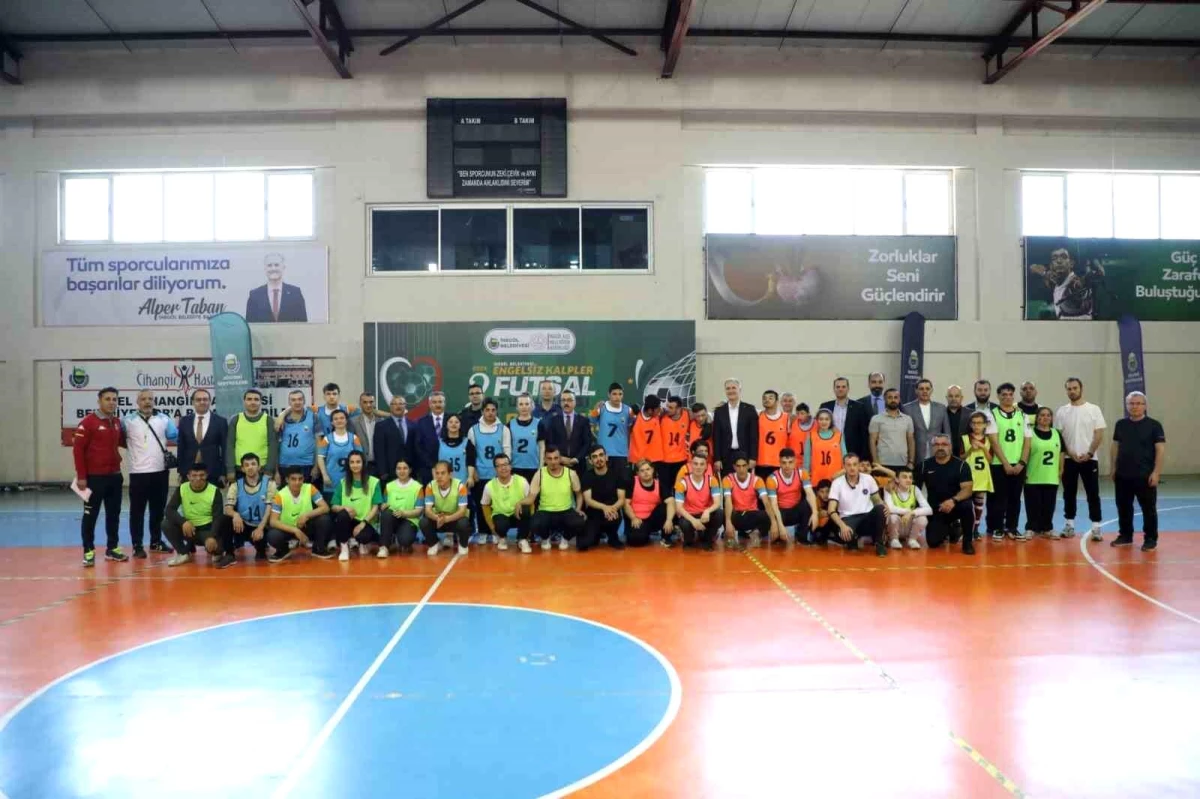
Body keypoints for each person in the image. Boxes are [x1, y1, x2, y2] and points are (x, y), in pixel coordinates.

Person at [73, 386, 129, 567]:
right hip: (93, 479)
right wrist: (81, 476)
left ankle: (112, 548)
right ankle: (88, 551)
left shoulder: (117, 422)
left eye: (114, 399)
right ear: (99, 401)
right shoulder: (88, 423)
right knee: (90, 515)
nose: (112, 402)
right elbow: (78, 451)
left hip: (115, 477)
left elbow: (125, 443)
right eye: (107, 399)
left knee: (114, 515)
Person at [122, 389, 178, 557]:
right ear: (137, 402)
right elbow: (117, 439)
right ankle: (137, 545)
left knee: (158, 511)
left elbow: (177, 437)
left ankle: (156, 542)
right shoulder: (127, 421)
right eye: (143, 399)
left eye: (150, 399)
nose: (147, 402)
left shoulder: (164, 419)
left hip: (160, 473)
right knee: (137, 512)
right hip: (138, 473)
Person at [1110, 392, 1165, 551]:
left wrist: (1156, 472)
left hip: (1145, 475)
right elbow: (1115, 446)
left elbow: (1160, 450)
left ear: (1145, 406)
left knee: (1148, 509)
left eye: (1138, 403)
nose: (1135, 406)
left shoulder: (1154, 425)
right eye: (1131, 403)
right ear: (1127, 406)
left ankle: (1150, 539)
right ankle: (1125, 536)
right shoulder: (1120, 424)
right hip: (1123, 475)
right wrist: (1113, 468)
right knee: (1123, 507)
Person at [1054, 377, 1107, 541]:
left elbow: (1099, 434)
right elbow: (1059, 436)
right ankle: (1069, 525)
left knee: (1093, 493)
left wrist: (1089, 453)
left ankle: (1096, 527)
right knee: (1069, 493)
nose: (1072, 391)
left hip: (1089, 459)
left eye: (1075, 388)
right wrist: (1069, 452)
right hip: (1069, 459)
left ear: (1081, 389)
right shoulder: (1062, 411)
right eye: (1069, 389)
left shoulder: (1094, 409)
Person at [163, 463, 233, 569]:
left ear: (206, 475)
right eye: (194, 475)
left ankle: (216, 551)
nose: (198, 478)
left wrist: (212, 536)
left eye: (201, 475)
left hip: (207, 530)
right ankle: (183, 553)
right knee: (166, 524)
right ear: (188, 476)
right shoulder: (182, 489)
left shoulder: (214, 491)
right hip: (189, 529)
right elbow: (169, 510)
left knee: (216, 548)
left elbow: (218, 517)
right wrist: (183, 522)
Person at [915, 434, 976, 555]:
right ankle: (953, 529)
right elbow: (914, 489)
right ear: (932, 447)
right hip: (936, 509)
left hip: (955, 505)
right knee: (933, 543)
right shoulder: (924, 465)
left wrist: (953, 500)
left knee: (967, 506)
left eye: (944, 444)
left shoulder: (961, 465)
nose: (940, 447)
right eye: (936, 445)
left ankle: (967, 542)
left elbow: (968, 489)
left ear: (950, 446)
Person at [987, 383, 1032, 542]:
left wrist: (1022, 463)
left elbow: (1027, 442)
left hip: (1018, 464)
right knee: (999, 498)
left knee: (1015, 498)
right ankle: (998, 528)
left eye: (1010, 394)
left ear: (1014, 396)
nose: (1007, 397)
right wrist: (1005, 464)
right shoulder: (992, 415)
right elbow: (994, 442)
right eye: (1004, 394)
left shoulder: (1023, 415)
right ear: (998, 396)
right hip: (999, 464)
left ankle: (1012, 527)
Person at [826, 454, 887, 557]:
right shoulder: (837, 483)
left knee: (881, 509)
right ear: (844, 466)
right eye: (849, 465)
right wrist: (842, 526)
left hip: (866, 516)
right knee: (850, 544)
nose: (852, 468)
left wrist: (885, 506)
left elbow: (877, 500)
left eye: (855, 464)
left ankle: (879, 544)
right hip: (848, 519)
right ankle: (853, 538)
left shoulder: (868, 479)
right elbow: (831, 509)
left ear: (859, 465)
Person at [468, 398, 512, 539]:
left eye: (493, 410)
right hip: (480, 474)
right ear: (482, 411)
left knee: (496, 505)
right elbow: (471, 454)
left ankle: (495, 532)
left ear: (497, 411)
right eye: (487, 410)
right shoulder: (473, 430)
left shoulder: (504, 429)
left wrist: (504, 472)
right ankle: (482, 532)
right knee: (481, 505)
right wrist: (473, 472)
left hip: (497, 475)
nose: (490, 413)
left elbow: (507, 452)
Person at [267, 467, 331, 562]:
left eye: (300, 479)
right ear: (287, 480)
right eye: (293, 479)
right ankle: (283, 551)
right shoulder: (279, 495)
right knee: (272, 535)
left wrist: (306, 515)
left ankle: (318, 548)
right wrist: (295, 530)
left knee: (324, 519)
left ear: (303, 479)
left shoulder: (310, 488)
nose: (297, 482)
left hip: (306, 526)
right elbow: (273, 521)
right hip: (288, 530)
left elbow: (325, 507)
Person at [528, 447, 586, 551]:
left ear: (560, 459)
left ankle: (565, 539)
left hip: (565, 510)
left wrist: (577, 509)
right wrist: (520, 503)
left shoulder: (571, 474)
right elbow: (531, 497)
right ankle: (545, 539)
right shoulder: (539, 474)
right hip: (545, 511)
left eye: (556, 458)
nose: (553, 462)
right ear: (545, 460)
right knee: (534, 523)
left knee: (579, 521)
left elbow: (579, 495)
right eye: (549, 458)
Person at [329, 451, 382, 561]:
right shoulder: (343, 483)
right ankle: (344, 549)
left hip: (366, 522)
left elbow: (376, 507)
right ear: (348, 464)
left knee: (363, 537)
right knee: (342, 515)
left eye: (358, 462)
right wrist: (344, 508)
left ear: (363, 463)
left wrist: (363, 523)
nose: (355, 465)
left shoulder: (374, 482)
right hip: (349, 521)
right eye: (352, 462)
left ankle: (362, 542)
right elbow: (333, 506)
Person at [224, 452, 274, 562]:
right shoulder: (235, 485)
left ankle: (261, 549)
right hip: (244, 525)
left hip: (263, 526)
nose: (250, 467)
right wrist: (235, 514)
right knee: (225, 520)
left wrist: (260, 528)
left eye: (253, 464)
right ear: (242, 469)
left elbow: (270, 509)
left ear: (259, 467)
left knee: (263, 545)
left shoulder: (269, 484)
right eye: (246, 465)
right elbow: (228, 509)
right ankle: (229, 554)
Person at [1025, 407, 1064, 539]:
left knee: (1049, 505)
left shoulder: (1056, 433)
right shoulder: (1030, 433)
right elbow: (1025, 451)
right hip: (1033, 475)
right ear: (1037, 418)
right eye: (1042, 415)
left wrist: (1061, 469)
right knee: (1033, 504)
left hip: (1051, 475)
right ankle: (1031, 528)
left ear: (1051, 418)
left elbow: (1061, 452)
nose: (1045, 417)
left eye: (1048, 415)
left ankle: (1047, 528)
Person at [225, 389, 279, 485]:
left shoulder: (268, 420)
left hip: (262, 471)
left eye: (256, 399)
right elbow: (230, 445)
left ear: (261, 402)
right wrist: (230, 469)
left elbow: (273, 446)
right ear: (244, 401)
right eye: (249, 399)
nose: (252, 402)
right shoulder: (235, 419)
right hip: (239, 470)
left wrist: (269, 470)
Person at [481, 454, 533, 552]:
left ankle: (522, 539)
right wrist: (492, 527)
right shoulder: (489, 485)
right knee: (500, 523)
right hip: (501, 517)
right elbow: (485, 505)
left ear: (510, 466)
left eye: (505, 464)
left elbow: (531, 501)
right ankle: (502, 538)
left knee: (525, 509)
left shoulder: (522, 481)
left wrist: (530, 525)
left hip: (518, 515)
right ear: (495, 469)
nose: (503, 468)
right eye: (499, 466)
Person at [764, 447, 816, 546]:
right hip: (780, 513)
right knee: (778, 540)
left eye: (790, 462)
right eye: (784, 463)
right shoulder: (772, 479)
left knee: (808, 504)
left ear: (795, 462)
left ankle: (802, 537)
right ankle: (778, 535)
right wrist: (780, 526)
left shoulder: (802, 473)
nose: (787, 466)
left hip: (795, 510)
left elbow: (810, 494)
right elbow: (773, 505)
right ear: (779, 462)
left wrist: (815, 513)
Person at [420, 460, 472, 556]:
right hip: (438, 519)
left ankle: (463, 545)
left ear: (450, 474)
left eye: (443, 473)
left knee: (464, 523)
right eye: (437, 473)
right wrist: (437, 518)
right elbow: (427, 510)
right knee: (424, 522)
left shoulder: (460, 486)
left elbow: (462, 511)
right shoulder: (430, 486)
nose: (439, 476)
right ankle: (434, 544)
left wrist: (446, 519)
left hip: (454, 519)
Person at [722, 452, 775, 547]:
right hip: (736, 515)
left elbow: (766, 502)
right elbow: (728, 501)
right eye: (738, 466)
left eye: (744, 466)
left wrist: (774, 523)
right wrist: (728, 522)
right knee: (722, 513)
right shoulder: (727, 479)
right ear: (734, 467)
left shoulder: (757, 480)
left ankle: (756, 534)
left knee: (767, 515)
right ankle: (729, 534)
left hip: (752, 514)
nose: (741, 469)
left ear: (748, 466)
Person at [580, 445, 627, 551]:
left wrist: (612, 509)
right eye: (594, 457)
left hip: (612, 512)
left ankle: (613, 537)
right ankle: (596, 535)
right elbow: (588, 500)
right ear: (590, 461)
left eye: (601, 455)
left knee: (613, 517)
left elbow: (621, 499)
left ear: (606, 457)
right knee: (583, 544)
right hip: (594, 513)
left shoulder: (617, 474)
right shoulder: (587, 476)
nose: (599, 459)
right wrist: (604, 507)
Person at [673, 452, 722, 550]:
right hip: (689, 515)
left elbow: (717, 503)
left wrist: (707, 511)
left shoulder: (712, 480)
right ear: (691, 465)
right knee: (685, 524)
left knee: (719, 514)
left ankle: (707, 540)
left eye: (702, 464)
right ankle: (688, 540)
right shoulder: (682, 483)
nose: (698, 467)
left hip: (705, 515)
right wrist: (693, 521)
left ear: (706, 466)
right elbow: (679, 508)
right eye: (695, 464)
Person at [177, 389, 226, 485]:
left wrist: (224, 473)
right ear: (193, 402)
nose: (202, 402)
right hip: (189, 472)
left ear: (210, 401)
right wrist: (181, 471)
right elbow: (181, 447)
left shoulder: (220, 422)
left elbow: (225, 449)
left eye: (205, 399)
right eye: (198, 400)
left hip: (212, 472)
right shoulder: (184, 421)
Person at [378, 459, 425, 556]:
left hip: (409, 519)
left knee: (405, 541)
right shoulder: (389, 486)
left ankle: (401, 539)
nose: (402, 471)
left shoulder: (418, 487)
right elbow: (384, 504)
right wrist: (382, 506)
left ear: (410, 470)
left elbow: (419, 510)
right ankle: (384, 547)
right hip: (392, 518)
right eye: (399, 468)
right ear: (395, 470)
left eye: (405, 468)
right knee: (386, 514)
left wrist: (404, 513)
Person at [712, 378, 758, 477]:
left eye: (734, 388)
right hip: (725, 456)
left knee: (744, 484)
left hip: (745, 455)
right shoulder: (719, 411)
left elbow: (754, 436)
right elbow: (716, 437)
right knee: (726, 483)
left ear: (739, 390)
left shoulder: (749, 409)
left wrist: (753, 457)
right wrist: (717, 459)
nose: (731, 391)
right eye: (728, 388)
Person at [245, 251, 307, 323]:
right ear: (265, 268)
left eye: (276, 265)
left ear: (283, 267)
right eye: (269, 265)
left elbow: (303, 324)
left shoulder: (295, 293)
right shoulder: (254, 295)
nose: (273, 268)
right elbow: (250, 325)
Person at [625, 459, 675, 547]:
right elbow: (625, 504)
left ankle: (666, 537)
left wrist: (669, 520)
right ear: (638, 473)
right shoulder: (632, 482)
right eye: (642, 471)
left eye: (648, 469)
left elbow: (671, 501)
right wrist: (633, 518)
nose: (646, 472)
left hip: (652, 518)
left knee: (667, 506)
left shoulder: (659, 484)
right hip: (637, 519)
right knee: (636, 540)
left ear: (652, 470)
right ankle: (644, 533)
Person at [277, 390, 322, 490]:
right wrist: (276, 471)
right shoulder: (282, 420)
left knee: (307, 496)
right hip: (285, 464)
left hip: (307, 465)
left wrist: (316, 466)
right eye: (293, 400)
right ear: (289, 402)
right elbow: (276, 445)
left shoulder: (313, 417)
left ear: (304, 401)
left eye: (300, 399)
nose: (297, 402)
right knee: (286, 497)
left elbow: (319, 443)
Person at [317, 409, 361, 506]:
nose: (339, 420)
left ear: (346, 420)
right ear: (332, 422)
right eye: (336, 419)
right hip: (331, 480)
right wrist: (324, 475)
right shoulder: (326, 439)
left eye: (342, 418)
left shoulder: (354, 438)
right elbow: (320, 458)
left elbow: (361, 459)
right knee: (332, 509)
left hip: (350, 480)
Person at [820, 377, 871, 461]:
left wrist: (864, 456)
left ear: (848, 388)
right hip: (829, 450)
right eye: (838, 387)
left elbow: (864, 434)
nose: (840, 389)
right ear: (834, 389)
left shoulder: (859, 407)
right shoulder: (825, 406)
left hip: (852, 451)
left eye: (843, 387)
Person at [961, 411, 994, 539]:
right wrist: (970, 449)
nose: (976, 426)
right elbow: (961, 458)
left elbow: (990, 460)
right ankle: (965, 529)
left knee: (979, 505)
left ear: (985, 425)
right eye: (974, 423)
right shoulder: (965, 438)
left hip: (982, 476)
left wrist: (983, 448)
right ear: (970, 424)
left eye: (979, 423)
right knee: (966, 506)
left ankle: (976, 529)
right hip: (967, 477)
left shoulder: (989, 440)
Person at [540, 389, 592, 469]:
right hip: (558, 464)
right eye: (563, 400)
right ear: (560, 403)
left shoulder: (584, 421)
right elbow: (549, 443)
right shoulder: (553, 421)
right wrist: (560, 458)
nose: (566, 403)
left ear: (575, 402)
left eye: (569, 400)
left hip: (579, 465)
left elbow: (587, 443)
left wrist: (577, 459)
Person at [903, 378, 951, 463]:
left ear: (931, 390)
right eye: (921, 389)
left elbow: (947, 433)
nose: (924, 391)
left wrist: (949, 453)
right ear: (916, 391)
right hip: (916, 454)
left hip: (937, 452)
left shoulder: (941, 408)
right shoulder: (907, 409)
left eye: (927, 389)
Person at [869, 387, 915, 475]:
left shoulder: (908, 419)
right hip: (883, 463)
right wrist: (876, 462)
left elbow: (911, 441)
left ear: (899, 399)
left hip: (903, 463)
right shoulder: (876, 419)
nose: (893, 400)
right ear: (884, 399)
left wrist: (911, 461)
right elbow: (872, 441)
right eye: (890, 397)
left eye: (895, 397)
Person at [592, 383, 634, 478]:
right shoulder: (602, 408)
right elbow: (591, 421)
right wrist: (595, 409)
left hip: (621, 454)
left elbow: (634, 426)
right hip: (604, 454)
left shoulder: (628, 410)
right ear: (609, 394)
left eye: (620, 394)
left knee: (621, 482)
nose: (617, 397)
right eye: (614, 394)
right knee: (605, 482)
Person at [884, 467, 931, 550]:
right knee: (892, 516)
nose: (908, 480)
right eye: (904, 477)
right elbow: (890, 508)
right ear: (897, 479)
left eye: (910, 477)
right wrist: (908, 511)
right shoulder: (889, 488)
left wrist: (911, 513)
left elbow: (929, 510)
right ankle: (893, 539)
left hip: (908, 525)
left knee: (923, 518)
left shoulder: (915, 489)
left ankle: (912, 540)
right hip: (895, 525)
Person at [412, 390, 448, 483]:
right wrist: (431, 464)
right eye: (434, 402)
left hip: (449, 468)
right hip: (427, 469)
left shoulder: (452, 419)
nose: (437, 405)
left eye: (440, 402)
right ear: (429, 404)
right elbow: (418, 446)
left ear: (444, 403)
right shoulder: (421, 422)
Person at [659, 396, 692, 498]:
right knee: (665, 491)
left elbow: (704, 416)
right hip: (664, 461)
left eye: (671, 407)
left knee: (679, 489)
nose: (668, 409)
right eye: (667, 406)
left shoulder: (687, 414)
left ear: (679, 409)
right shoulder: (662, 417)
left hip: (680, 460)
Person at [373, 395, 410, 486]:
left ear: (405, 406)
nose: (398, 406)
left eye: (401, 404)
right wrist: (383, 472)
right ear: (390, 407)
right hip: (390, 472)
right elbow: (379, 450)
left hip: (410, 472)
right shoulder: (381, 426)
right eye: (394, 404)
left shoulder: (413, 425)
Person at [805, 408, 845, 488]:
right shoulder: (811, 436)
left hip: (836, 479)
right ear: (817, 420)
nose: (824, 422)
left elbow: (845, 459)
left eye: (827, 419)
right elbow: (806, 461)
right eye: (821, 419)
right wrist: (806, 481)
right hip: (817, 480)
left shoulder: (839, 436)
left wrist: (840, 473)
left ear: (831, 421)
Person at [628, 395, 664, 484]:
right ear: (650, 410)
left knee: (655, 486)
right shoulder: (635, 417)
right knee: (637, 486)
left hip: (655, 459)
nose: (660, 409)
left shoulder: (659, 414)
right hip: (638, 460)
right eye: (657, 408)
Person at [756, 389, 790, 480]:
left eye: (770, 398)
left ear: (777, 401)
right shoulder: (758, 416)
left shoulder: (786, 418)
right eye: (764, 398)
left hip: (780, 463)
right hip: (761, 463)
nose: (767, 400)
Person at [508, 394, 542, 483]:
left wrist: (541, 467)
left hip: (533, 467)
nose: (524, 407)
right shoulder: (510, 424)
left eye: (527, 404)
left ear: (532, 406)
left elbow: (542, 447)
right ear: (517, 407)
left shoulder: (539, 424)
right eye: (521, 404)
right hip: (515, 467)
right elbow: (507, 447)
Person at [438, 414, 474, 485]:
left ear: (460, 425)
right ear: (446, 425)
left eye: (456, 422)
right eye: (450, 422)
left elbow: (471, 462)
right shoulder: (439, 443)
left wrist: (470, 477)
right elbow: (434, 464)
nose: (453, 424)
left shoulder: (467, 442)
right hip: (443, 483)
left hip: (462, 483)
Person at [350, 393, 381, 475]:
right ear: (360, 404)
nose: (368, 405)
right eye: (365, 402)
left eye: (371, 402)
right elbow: (350, 445)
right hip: (361, 465)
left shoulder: (381, 421)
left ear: (374, 403)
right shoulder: (353, 422)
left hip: (379, 466)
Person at [945, 385, 967, 459]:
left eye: (957, 396)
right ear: (946, 398)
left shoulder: (970, 414)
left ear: (962, 398)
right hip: (945, 454)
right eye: (950, 396)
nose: (953, 399)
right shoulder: (941, 413)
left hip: (965, 455)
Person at [811, 480, 835, 545]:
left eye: (827, 491)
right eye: (822, 492)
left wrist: (828, 513)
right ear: (817, 492)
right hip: (819, 526)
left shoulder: (834, 500)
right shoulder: (815, 500)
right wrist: (818, 514)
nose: (825, 495)